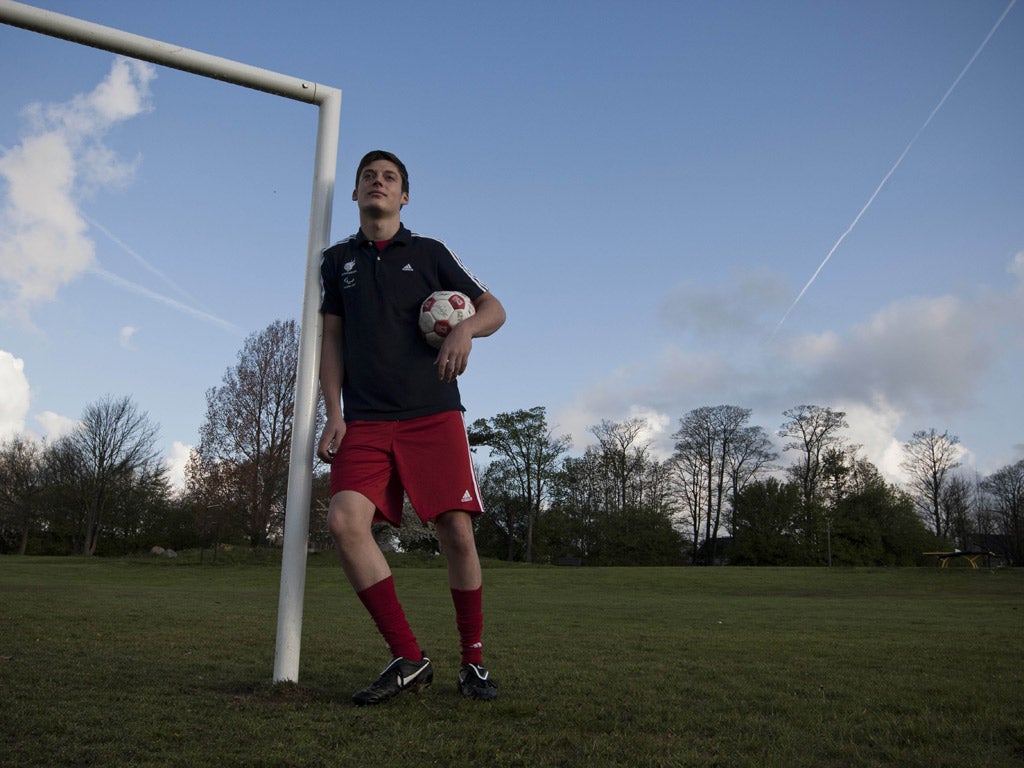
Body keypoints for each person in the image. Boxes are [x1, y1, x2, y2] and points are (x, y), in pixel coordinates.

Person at [316, 150, 507, 705]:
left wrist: (465, 329)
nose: (378, 183)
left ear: (404, 197)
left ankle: (473, 662)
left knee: (456, 531)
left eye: (390, 178)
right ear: (355, 194)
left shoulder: (430, 252)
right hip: (367, 419)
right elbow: (331, 341)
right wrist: (334, 411)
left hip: (432, 413)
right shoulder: (335, 262)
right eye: (368, 177)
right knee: (345, 521)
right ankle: (407, 655)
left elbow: (495, 307)